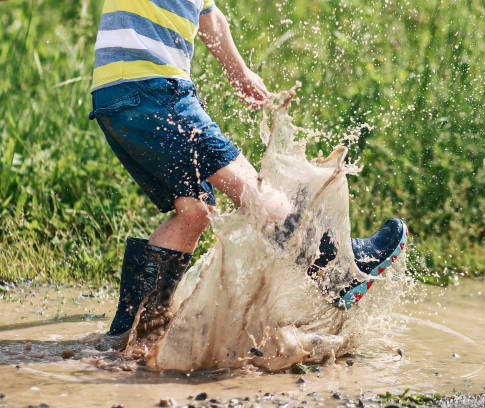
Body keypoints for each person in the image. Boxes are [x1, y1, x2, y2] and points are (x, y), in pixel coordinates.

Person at [89, 0, 407, 341]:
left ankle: (130, 334)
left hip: (114, 97)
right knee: (251, 189)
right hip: (155, 90)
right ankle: (340, 271)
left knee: (194, 210)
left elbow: (209, 16)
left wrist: (239, 74)